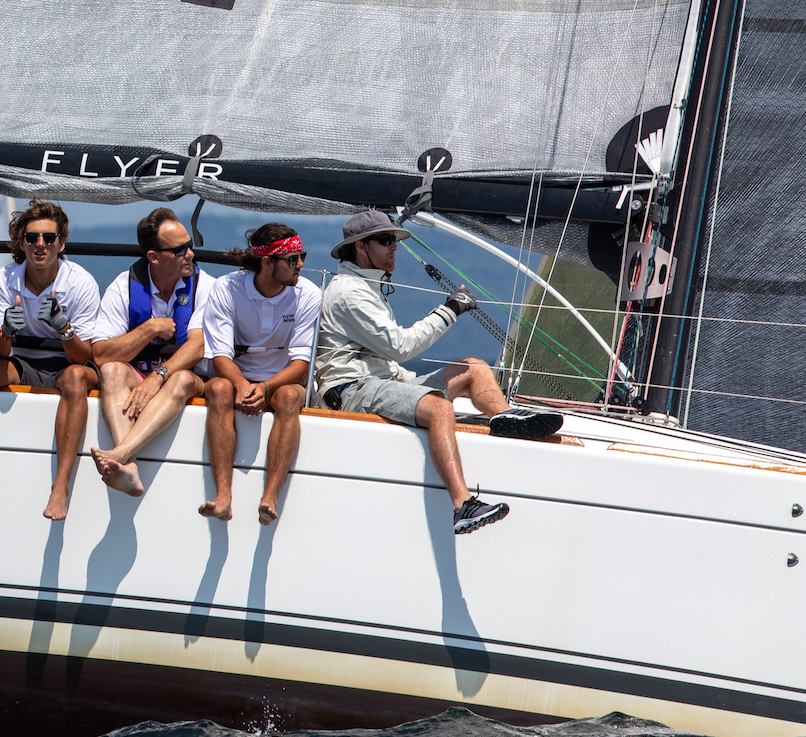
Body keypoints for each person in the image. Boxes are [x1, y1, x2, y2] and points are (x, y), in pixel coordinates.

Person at [314, 210, 563, 536]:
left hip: (378, 382)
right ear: (360, 247)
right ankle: (463, 505)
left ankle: (504, 417)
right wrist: (450, 310)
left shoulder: (366, 285)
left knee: (475, 368)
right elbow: (399, 346)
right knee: (439, 407)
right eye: (386, 240)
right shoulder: (350, 292)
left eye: (396, 240)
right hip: (350, 390)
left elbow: (383, 359)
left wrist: (406, 379)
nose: (395, 247)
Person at [0, 200, 103, 520]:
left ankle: (59, 488)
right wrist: (6, 331)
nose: (40, 244)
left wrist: (62, 326)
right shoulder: (7, 277)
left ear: (61, 243)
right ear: (21, 242)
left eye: (49, 238)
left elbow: (84, 356)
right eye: (32, 237)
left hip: (66, 364)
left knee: (77, 378)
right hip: (22, 360)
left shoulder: (81, 282)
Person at [88, 207, 216, 496]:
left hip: (186, 378)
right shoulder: (123, 286)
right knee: (111, 372)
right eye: (180, 250)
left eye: (190, 246)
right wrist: (149, 329)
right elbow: (101, 355)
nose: (190, 254)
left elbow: (197, 346)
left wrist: (158, 376)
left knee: (180, 379)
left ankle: (121, 454)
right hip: (138, 375)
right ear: (153, 257)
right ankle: (129, 469)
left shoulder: (206, 286)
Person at [199, 224, 321, 525]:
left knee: (291, 397)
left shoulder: (308, 293)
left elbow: (301, 364)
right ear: (267, 263)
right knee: (217, 390)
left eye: (301, 256)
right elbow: (220, 356)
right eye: (292, 260)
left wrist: (265, 388)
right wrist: (241, 384)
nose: (301, 265)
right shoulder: (227, 288)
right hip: (234, 375)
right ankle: (223, 496)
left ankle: (270, 497)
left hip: (281, 380)